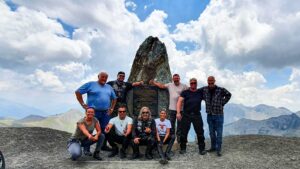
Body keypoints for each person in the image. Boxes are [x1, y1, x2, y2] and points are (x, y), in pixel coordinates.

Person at [75, 71, 117, 151]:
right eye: (102, 77)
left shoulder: (109, 87)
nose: (104, 79)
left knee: (104, 129)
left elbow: (114, 98)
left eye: (106, 77)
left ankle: (102, 146)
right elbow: (78, 92)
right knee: (89, 129)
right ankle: (86, 149)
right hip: (92, 112)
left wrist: (111, 108)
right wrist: (82, 103)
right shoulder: (91, 84)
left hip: (105, 112)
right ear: (98, 76)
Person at [150, 74, 188, 143]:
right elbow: (162, 86)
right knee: (171, 124)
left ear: (179, 78)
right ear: (173, 79)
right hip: (172, 109)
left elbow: (189, 90)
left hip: (181, 109)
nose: (176, 79)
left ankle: (179, 139)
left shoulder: (184, 86)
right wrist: (154, 83)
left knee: (180, 125)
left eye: (177, 78)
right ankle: (172, 138)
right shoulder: (170, 85)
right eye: (175, 78)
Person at [201, 76, 231, 156]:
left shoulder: (220, 89)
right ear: (207, 81)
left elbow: (228, 95)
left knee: (219, 133)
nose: (210, 83)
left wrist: (222, 103)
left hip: (219, 115)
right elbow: (196, 92)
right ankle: (213, 147)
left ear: (214, 81)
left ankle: (218, 149)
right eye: (209, 81)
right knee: (211, 133)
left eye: (212, 81)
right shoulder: (204, 89)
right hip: (209, 115)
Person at [176, 78, 206, 155]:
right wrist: (178, 113)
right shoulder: (185, 92)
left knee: (200, 132)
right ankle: (183, 148)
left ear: (196, 84)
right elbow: (179, 102)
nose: (193, 84)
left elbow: (208, 99)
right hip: (186, 114)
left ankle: (202, 149)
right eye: (191, 83)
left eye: (194, 83)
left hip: (197, 114)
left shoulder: (200, 92)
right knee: (184, 132)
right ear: (190, 84)